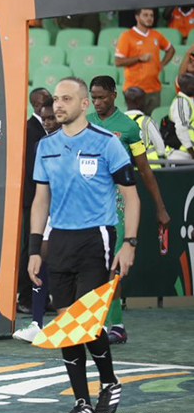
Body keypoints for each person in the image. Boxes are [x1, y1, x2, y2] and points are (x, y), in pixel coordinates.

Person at [28, 77, 139, 413]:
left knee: (85, 321)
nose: (57, 105)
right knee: (66, 324)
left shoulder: (107, 143)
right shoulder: (46, 146)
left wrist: (129, 243)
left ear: (83, 104)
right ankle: (82, 402)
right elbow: (40, 200)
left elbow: (132, 197)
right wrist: (34, 249)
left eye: (65, 99)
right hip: (59, 240)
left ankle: (108, 382)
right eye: (55, 100)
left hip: (97, 238)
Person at [89, 76, 171, 344]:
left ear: (114, 95)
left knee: (111, 266)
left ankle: (117, 325)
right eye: (93, 97)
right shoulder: (85, 121)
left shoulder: (128, 128)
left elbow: (145, 169)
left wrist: (160, 207)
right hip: (87, 205)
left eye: (102, 97)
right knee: (89, 266)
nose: (97, 102)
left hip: (117, 204)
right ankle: (94, 323)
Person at [14, 88, 51, 318]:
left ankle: (42, 297)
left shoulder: (46, 128)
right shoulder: (30, 129)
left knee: (42, 247)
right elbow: (30, 169)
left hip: (45, 198)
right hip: (33, 199)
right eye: (43, 102)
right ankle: (26, 298)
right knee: (32, 248)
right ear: (35, 105)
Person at [114, 8, 175, 115]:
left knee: (151, 123)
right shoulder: (127, 35)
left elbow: (170, 50)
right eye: (145, 15)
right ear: (137, 17)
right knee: (135, 123)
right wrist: (138, 58)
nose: (149, 18)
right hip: (134, 89)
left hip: (154, 89)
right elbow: (118, 61)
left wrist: (162, 64)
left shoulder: (156, 35)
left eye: (151, 15)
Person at [123, 87, 165, 167]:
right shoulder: (147, 122)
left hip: (126, 170)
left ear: (125, 102)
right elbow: (161, 149)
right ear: (140, 102)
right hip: (150, 168)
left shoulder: (117, 122)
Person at [168, 73, 194, 161]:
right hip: (182, 153)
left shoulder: (189, 101)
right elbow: (181, 128)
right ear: (186, 86)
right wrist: (190, 149)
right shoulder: (181, 102)